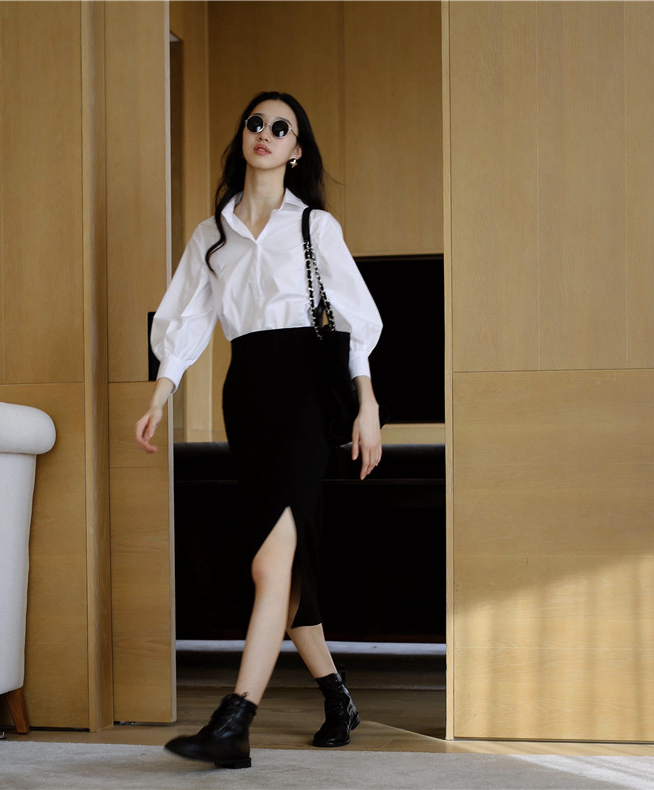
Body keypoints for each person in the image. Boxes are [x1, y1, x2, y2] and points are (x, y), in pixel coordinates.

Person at [135, 91, 383, 770]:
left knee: (270, 564)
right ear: (243, 137)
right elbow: (185, 320)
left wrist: (367, 405)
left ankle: (234, 722)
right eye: (256, 123)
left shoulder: (314, 227)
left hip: (304, 396)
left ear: (296, 149)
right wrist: (160, 395)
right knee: (285, 565)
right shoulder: (212, 235)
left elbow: (357, 318)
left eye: (281, 127)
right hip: (246, 396)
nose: (265, 134)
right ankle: (338, 697)